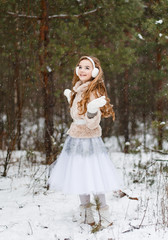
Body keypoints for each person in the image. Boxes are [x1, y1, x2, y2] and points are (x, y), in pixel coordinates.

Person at [48, 56, 122, 228]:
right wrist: (71, 100)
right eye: (80, 66)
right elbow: (76, 115)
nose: (82, 70)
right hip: (75, 138)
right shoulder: (78, 89)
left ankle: (104, 213)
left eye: (87, 68)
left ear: (94, 72)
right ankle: (86, 213)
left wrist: (91, 111)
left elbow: (93, 123)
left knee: (94, 175)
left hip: (89, 140)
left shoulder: (93, 91)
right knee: (79, 175)